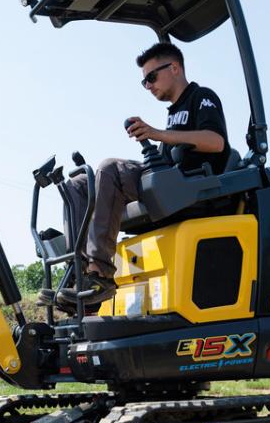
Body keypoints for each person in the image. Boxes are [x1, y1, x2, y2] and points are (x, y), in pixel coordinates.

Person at [50, 42, 230, 308]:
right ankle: (78, 274)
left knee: (109, 167)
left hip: (190, 185)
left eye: (151, 77)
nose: (148, 86)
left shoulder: (202, 97)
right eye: (144, 82)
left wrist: (157, 134)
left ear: (175, 68)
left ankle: (100, 274)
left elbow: (216, 142)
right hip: (164, 178)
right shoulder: (173, 113)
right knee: (78, 184)